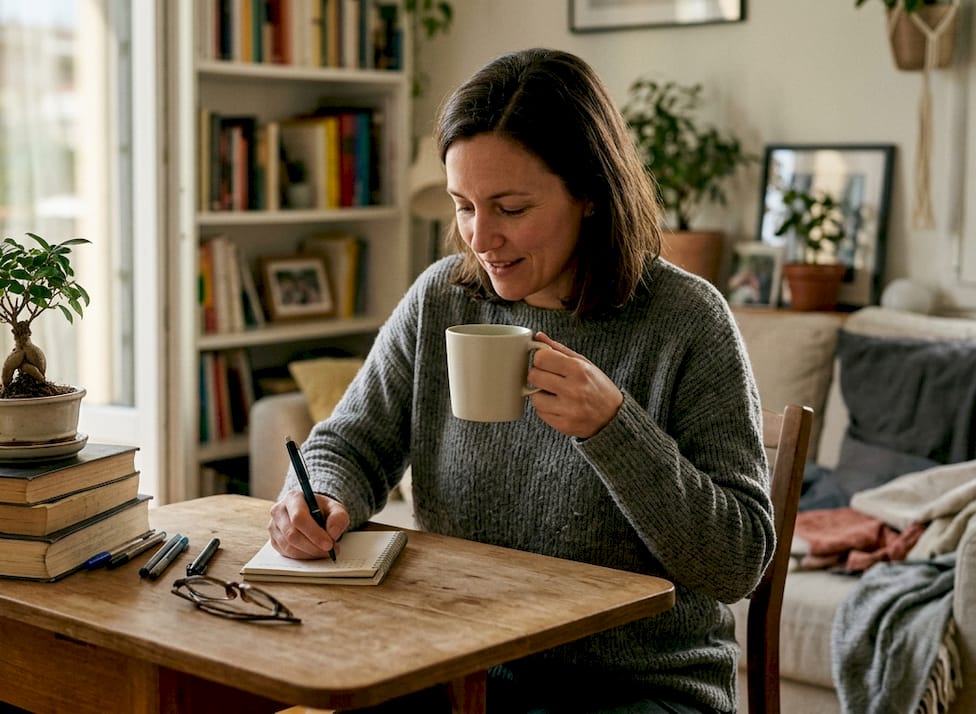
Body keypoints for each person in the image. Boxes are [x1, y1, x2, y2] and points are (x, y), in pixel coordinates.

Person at [267, 48, 773, 714]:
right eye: (464, 205)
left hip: (639, 690)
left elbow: (735, 562)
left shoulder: (685, 320)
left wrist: (614, 428)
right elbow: (351, 443)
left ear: (589, 192)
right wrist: (318, 496)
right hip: (460, 669)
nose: (481, 236)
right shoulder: (442, 300)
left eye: (509, 207)